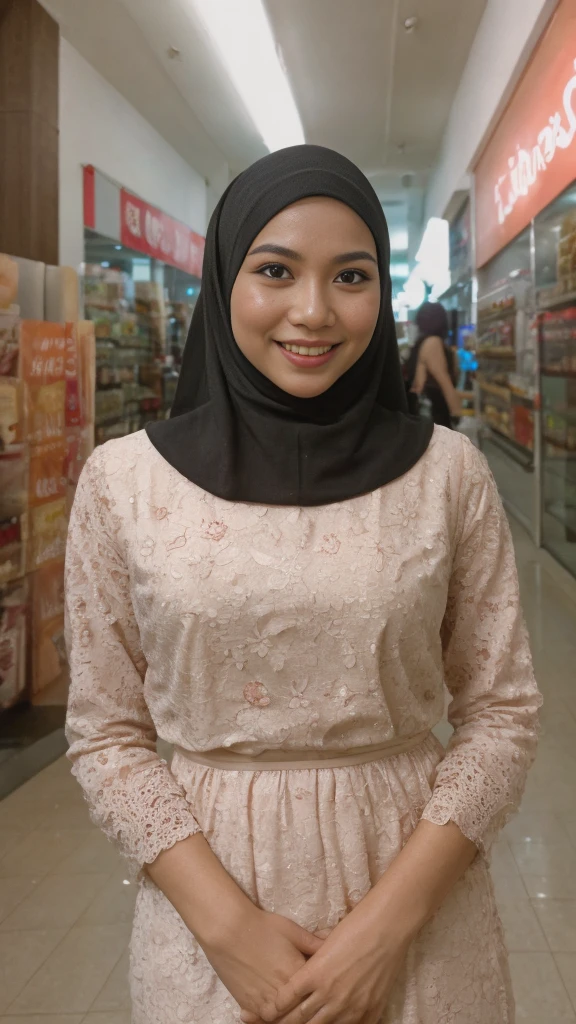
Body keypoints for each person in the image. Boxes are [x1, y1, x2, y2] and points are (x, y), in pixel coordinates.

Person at [64, 145, 541, 1024]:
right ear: (223, 281)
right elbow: (106, 734)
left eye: (350, 276)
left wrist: (387, 929)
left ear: (382, 293)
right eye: (275, 270)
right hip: (209, 906)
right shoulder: (123, 483)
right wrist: (228, 930)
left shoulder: (449, 475)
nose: (313, 312)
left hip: (418, 904)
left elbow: (502, 713)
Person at [405, 301, 462, 427]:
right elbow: (444, 382)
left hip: (428, 418)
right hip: (436, 417)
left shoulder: (422, 343)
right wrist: (458, 414)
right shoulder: (433, 343)